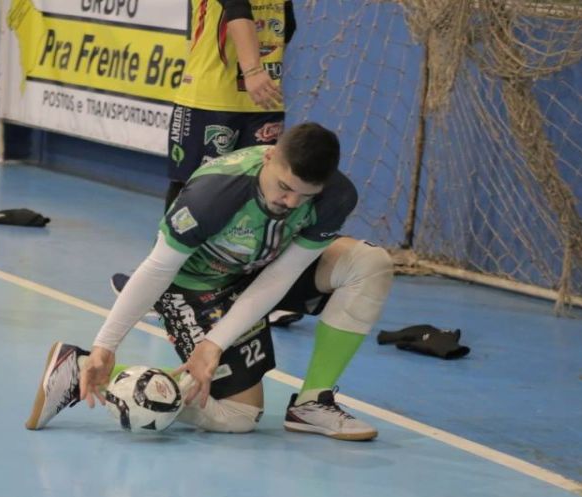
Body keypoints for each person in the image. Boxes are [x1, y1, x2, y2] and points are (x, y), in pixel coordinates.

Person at [28, 123, 394, 441]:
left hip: (263, 268)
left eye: (305, 194)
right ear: (269, 158)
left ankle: (313, 402)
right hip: (198, 283)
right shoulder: (214, 194)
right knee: (238, 418)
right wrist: (104, 346)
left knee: (369, 263)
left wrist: (215, 343)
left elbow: (280, 276)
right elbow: (157, 269)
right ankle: (82, 370)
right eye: (284, 187)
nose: (291, 201)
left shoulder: (336, 196)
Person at [165, 0, 295, 214]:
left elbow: (287, 25)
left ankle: (226, 247)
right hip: (216, 99)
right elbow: (237, 7)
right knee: (195, 189)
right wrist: (252, 71)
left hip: (259, 98)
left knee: (255, 191)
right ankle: (175, 246)